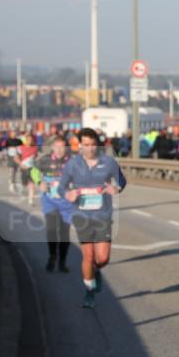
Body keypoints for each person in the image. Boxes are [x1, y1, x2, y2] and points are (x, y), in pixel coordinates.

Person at [59, 128, 126, 308]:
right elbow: (61, 187)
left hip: (103, 215)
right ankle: (89, 291)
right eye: (85, 145)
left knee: (102, 258)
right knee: (88, 256)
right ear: (80, 145)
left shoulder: (109, 162)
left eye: (92, 144)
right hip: (81, 216)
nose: (89, 148)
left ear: (97, 144)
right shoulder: (72, 164)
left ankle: (96, 271)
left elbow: (122, 181)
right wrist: (68, 194)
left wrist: (116, 189)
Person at [31, 135, 74, 272]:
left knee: (64, 233)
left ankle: (62, 261)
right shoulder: (45, 160)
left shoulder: (74, 161)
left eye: (62, 147)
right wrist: (39, 182)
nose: (60, 150)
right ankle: (52, 256)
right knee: (51, 229)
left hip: (67, 203)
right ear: (52, 147)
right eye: (57, 147)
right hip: (50, 200)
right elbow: (33, 171)